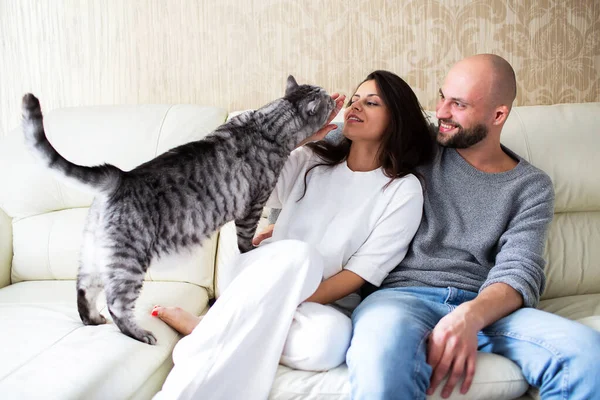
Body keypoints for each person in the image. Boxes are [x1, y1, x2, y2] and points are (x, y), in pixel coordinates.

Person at [151, 70, 436, 400]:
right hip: (257, 279)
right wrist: (295, 138)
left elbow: (359, 274)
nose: (356, 106)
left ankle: (211, 329)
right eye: (355, 99)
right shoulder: (309, 160)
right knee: (301, 255)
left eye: (371, 102)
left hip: (318, 302)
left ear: (397, 120)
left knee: (328, 343)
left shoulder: (403, 190)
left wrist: (282, 303)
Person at [344, 54, 600, 399]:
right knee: (381, 355)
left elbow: (519, 271)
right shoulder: (416, 142)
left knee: (587, 354)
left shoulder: (531, 186)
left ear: (499, 114)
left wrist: (469, 316)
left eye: (459, 104)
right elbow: (330, 147)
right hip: (398, 300)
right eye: (441, 97)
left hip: (487, 309)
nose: (442, 112)